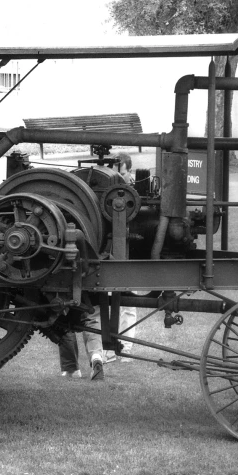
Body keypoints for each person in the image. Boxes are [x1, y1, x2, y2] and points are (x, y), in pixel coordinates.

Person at [103, 151, 137, 364]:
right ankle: (109, 349)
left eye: (121, 173)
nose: (118, 179)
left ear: (129, 171)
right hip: (111, 252)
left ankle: (125, 347)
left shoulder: (132, 191)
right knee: (107, 301)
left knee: (128, 303)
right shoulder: (110, 191)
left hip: (129, 253)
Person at [58, 304, 105, 381]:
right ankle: (96, 357)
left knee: (64, 321)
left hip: (68, 297)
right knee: (92, 319)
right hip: (91, 293)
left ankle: (71, 369)